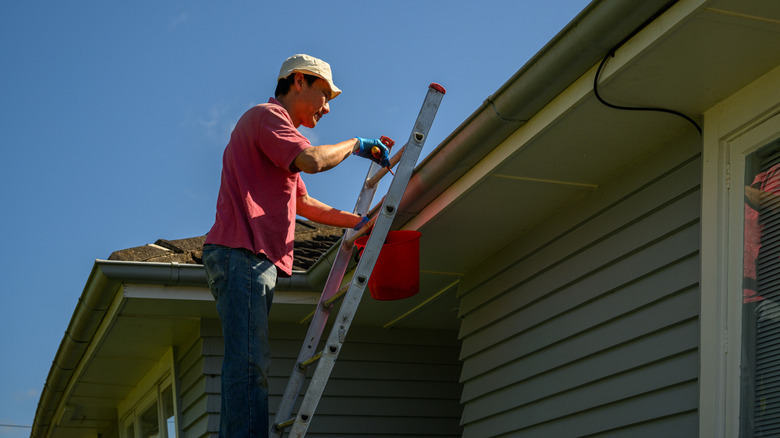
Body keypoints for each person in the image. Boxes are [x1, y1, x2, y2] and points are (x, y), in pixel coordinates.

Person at [202, 53, 394, 438]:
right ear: (299, 81)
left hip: (248, 258)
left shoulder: (277, 134)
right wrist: (356, 144)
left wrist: (359, 222)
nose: (327, 107)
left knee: (249, 362)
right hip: (242, 254)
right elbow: (312, 160)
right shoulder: (269, 117)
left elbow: (302, 203)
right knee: (248, 364)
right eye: (325, 94)